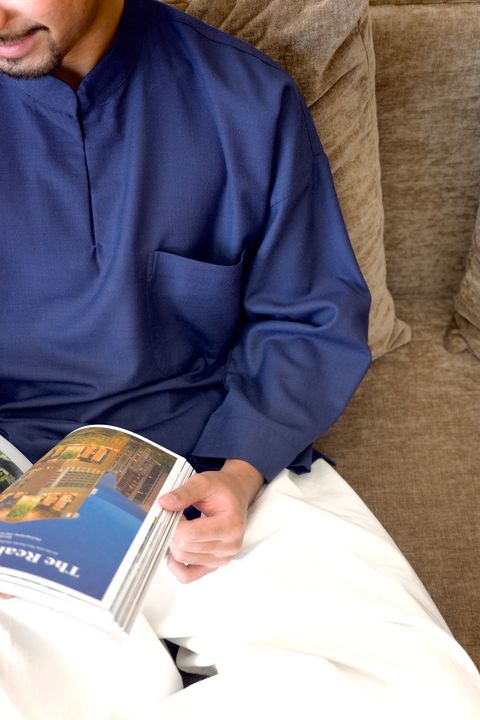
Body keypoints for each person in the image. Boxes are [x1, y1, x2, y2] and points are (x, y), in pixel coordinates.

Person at [0, 1, 478, 718]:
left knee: (429, 696)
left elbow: (307, 316)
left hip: (212, 459)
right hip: (16, 479)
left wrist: (242, 471)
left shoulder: (244, 98)